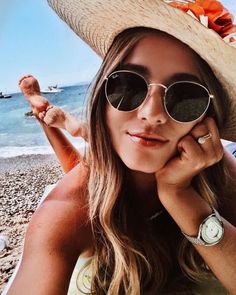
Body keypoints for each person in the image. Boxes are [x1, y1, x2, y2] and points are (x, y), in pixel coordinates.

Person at [7, 0, 236, 294]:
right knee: (91, 175)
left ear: (207, 121)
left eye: (185, 96)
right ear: (102, 94)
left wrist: (180, 197)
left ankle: (57, 120)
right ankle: (50, 119)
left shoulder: (215, 168)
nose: (150, 112)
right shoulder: (61, 213)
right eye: (128, 86)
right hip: (92, 181)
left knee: (98, 167)